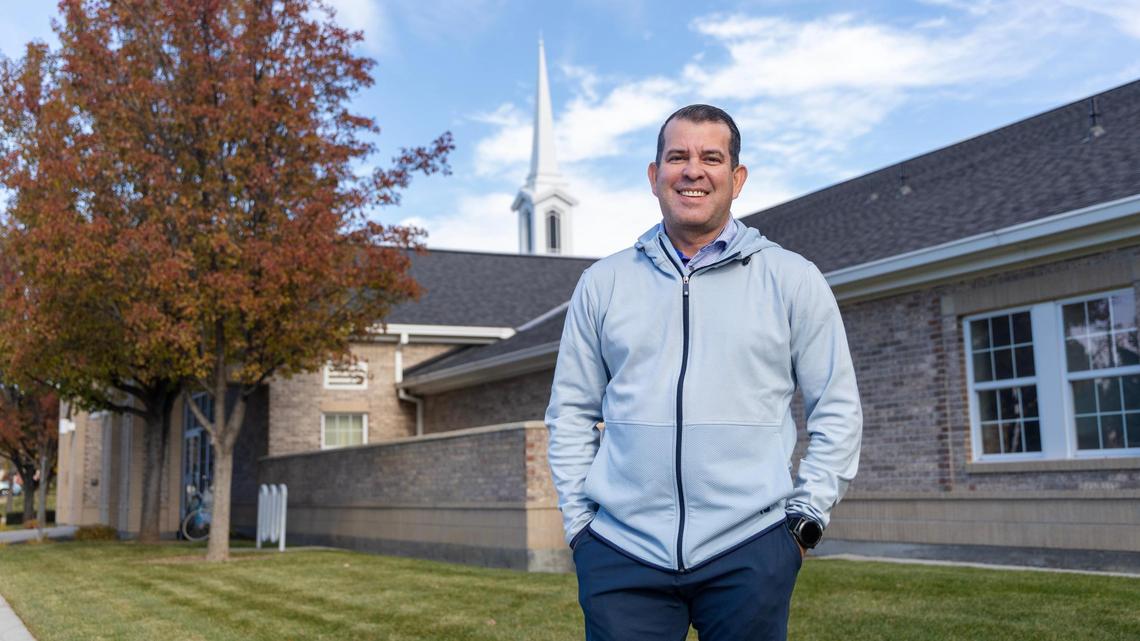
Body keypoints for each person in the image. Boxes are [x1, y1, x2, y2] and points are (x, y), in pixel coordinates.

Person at [545, 104, 863, 641]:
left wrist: (803, 522)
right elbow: (571, 413)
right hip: (621, 552)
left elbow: (836, 407)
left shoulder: (792, 279)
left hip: (750, 550)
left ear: (737, 178)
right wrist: (582, 528)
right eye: (678, 157)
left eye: (711, 158)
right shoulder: (603, 283)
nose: (693, 170)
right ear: (655, 176)